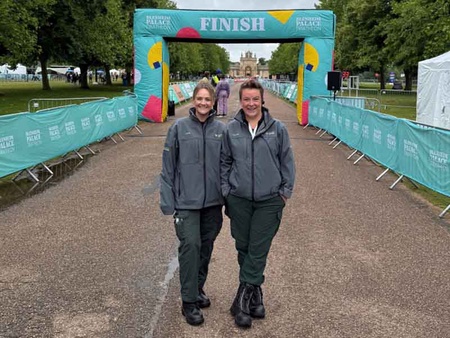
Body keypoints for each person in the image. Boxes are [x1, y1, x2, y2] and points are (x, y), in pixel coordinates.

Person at [220, 79, 296, 328]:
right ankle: (256, 295)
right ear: (240, 102)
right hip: (239, 199)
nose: (251, 104)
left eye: (255, 99)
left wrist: (284, 192)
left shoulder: (278, 129)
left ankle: (241, 301)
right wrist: (227, 191)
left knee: (258, 248)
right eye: (246, 99)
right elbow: (224, 162)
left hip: (269, 201)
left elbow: (287, 162)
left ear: (262, 100)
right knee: (244, 247)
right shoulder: (231, 129)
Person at [160, 82, 226, 326]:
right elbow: (168, 166)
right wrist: (168, 202)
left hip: (212, 203)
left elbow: (227, 166)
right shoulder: (178, 128)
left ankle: (197, 288)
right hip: (186, 202)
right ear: (193, 100)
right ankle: (188, 301)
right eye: (199, 98)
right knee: (190, 246)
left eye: (207, 99)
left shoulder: (221, 129)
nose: (203, 103)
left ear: (213, 103)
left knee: (205, 248)